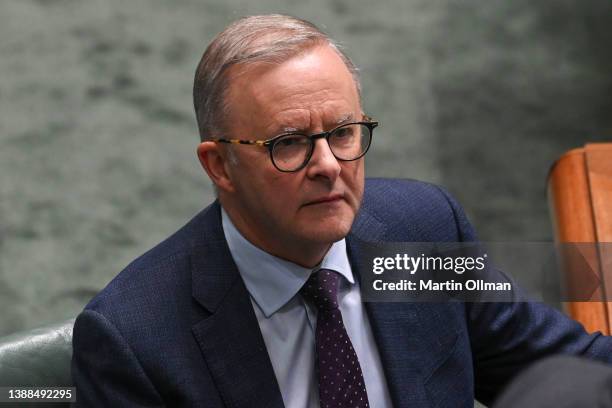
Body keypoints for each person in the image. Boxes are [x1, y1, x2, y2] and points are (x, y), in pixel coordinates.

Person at [71, 14, 612, 407]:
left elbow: (564, 367)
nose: (328, 165)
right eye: (289, 143)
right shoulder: (133, 341)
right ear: (220, 167)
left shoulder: (421, 230)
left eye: (343, 133)